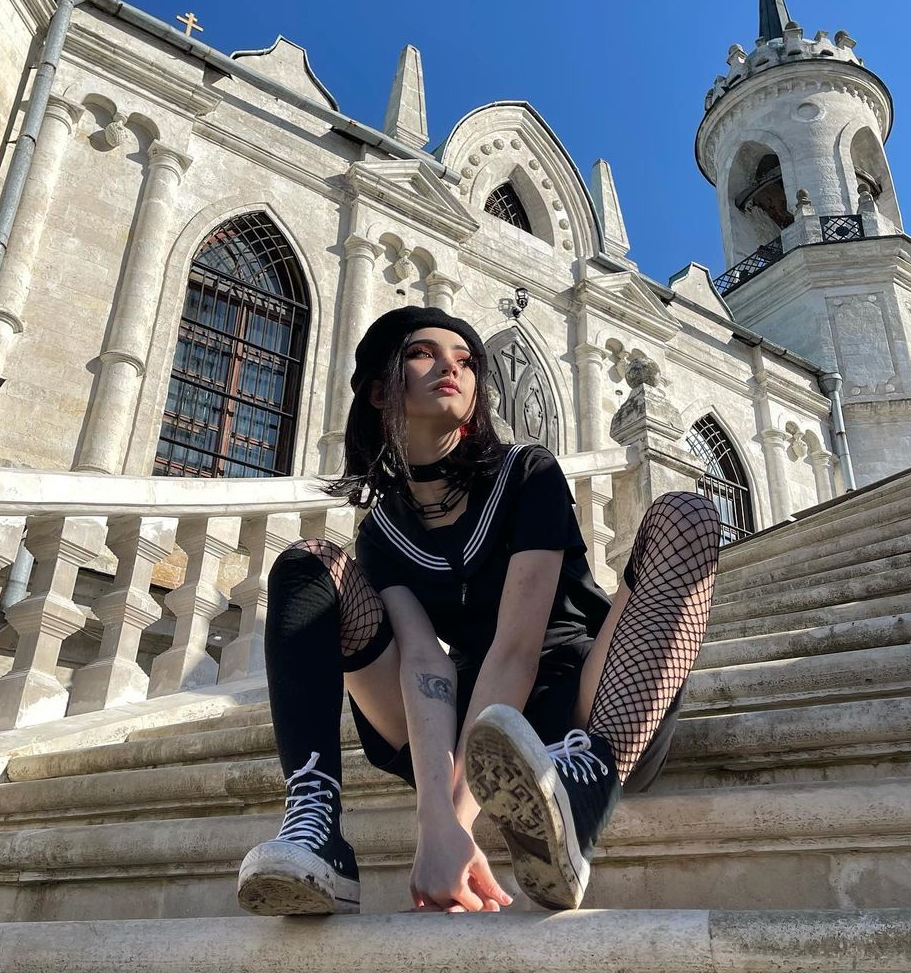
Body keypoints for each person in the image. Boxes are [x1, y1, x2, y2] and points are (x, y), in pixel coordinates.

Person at [236, 307, 720, 916]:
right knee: (309, 563)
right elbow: (422, 662)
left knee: (685, 515)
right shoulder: (381, 532)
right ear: (381, 390)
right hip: (465, 718)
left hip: (589, 699)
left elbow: (517, 650)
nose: (451, 367)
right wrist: (437, 822)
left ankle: (583, 794)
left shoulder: (528, 473)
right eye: (424, 353)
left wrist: (457, 824)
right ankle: (315, 826)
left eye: (466, 361)